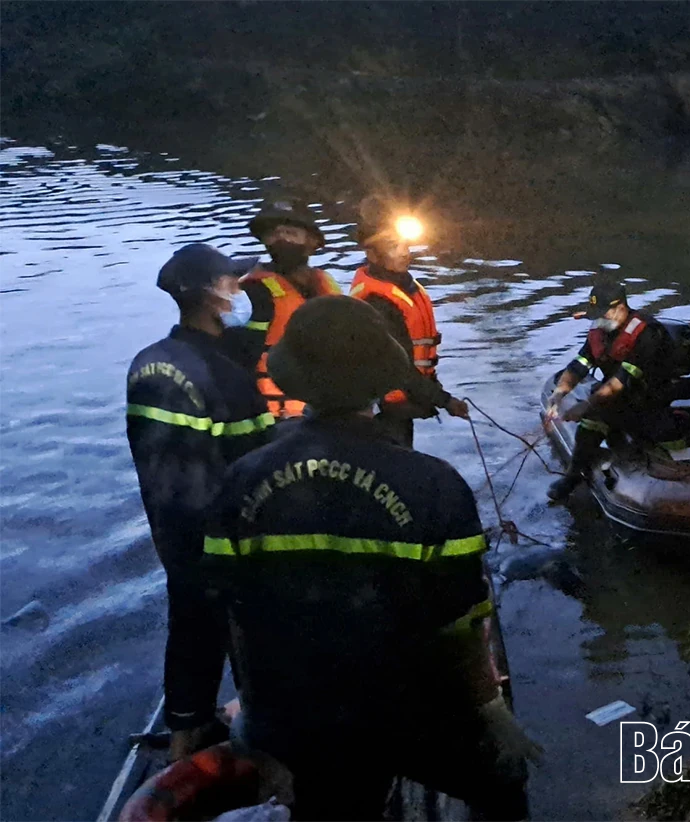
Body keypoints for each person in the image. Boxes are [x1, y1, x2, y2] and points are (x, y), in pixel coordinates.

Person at [202, 296, 539, 820]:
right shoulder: (434, 486)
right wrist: (490, 711)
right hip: (412, 716)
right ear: (381, 382)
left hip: (299, 720)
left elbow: (230, 610)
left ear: (297, 381)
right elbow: (463, 627)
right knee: (501, 785)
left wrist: (253, 706)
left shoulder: (240, 480)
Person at [126, 244, 275, 760]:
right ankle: (219, 757)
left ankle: (193, 737)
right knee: (226, 638)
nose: (239, 285)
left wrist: (257, 282)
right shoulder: (190, 371)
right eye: (230, 280)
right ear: (209, 294)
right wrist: (224, 547)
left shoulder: (205, 356)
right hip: (216, 538)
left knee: (195, 631)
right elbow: (190, 477)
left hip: (199, 535)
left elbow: (257, 333)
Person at [545, 280, 686, 502]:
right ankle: (573, 475)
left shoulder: (648, 333)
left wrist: (586, 405)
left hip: (649, 401)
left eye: (602, 313)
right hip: (618, 402)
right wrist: (560, 392)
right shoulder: (600, 333)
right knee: (592, 420)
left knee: (598, 413)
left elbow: (622, 380)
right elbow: (580, 364)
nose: (598, 320)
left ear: (620, 308)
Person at [349, 194, 468, 448]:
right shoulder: (377, 302)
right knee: (395, 455)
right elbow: (398, 368)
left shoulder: (400, 285)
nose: (404, 253)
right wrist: (445, 400)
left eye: (406, 244)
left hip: (406, 393)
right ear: (372, 254)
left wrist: (434, 391)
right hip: (387, 400)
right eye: (394, 246)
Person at [223, 198, 342, 419]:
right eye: (274, 234)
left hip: (330, 411)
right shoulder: (254, 291)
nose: (281, 240)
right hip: (277, 417)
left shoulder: (326, 283)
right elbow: (238, 361)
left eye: (290, 233)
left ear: (312, 241)